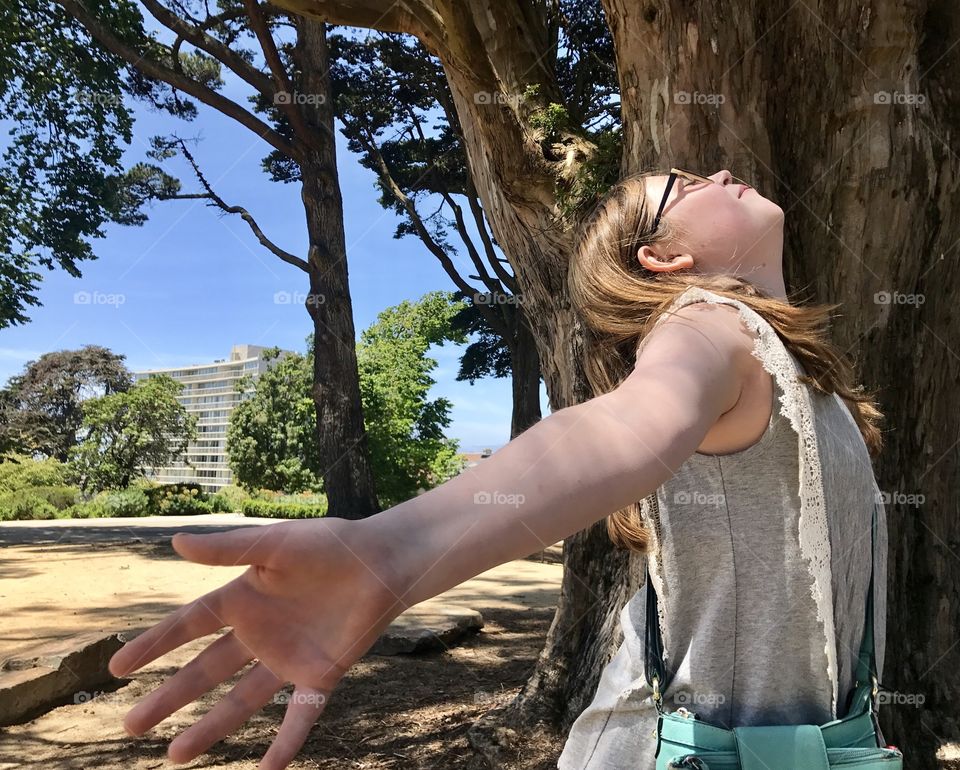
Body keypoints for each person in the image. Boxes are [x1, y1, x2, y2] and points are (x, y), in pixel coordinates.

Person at [107, 169, 888, 770]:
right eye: (687, 184)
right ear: (665, 257)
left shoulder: (800, 379)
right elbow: (621, 425)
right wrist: (391, 549)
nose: (719, 177)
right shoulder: (708, 323)